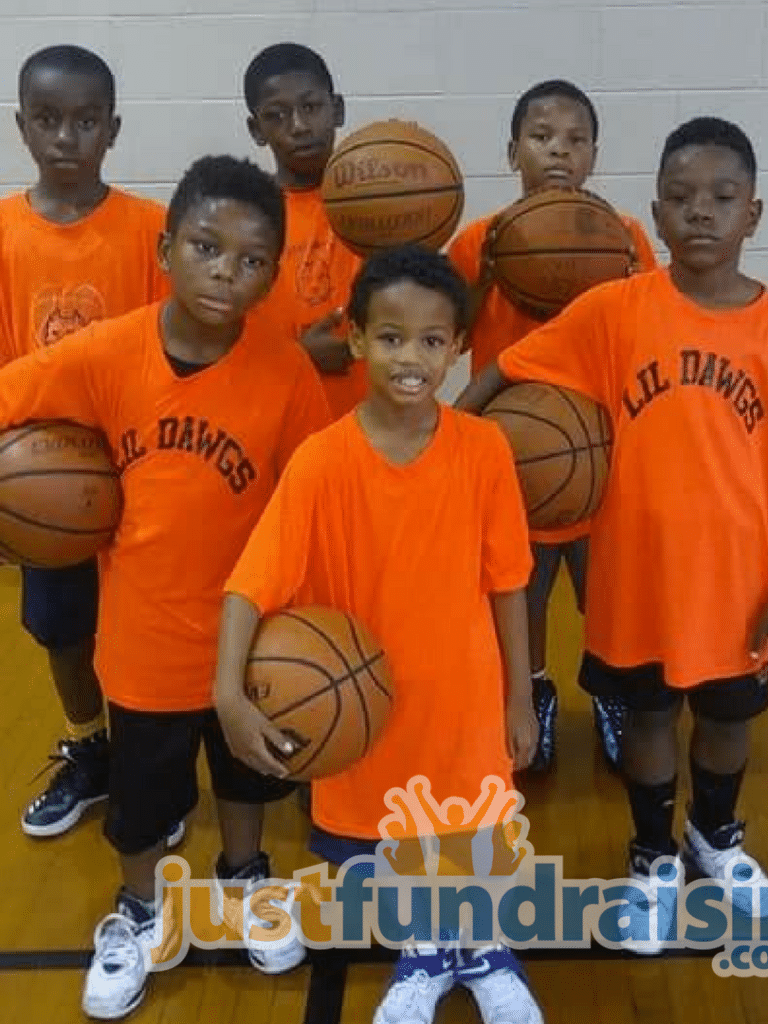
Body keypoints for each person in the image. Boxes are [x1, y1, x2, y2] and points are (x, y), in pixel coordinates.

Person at [458, 117, 768, 952]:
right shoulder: (613, 311)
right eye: (679, 197)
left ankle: (714, 837)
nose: (699, 212)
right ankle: (650, 859)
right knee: (649, 719)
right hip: (637, 577)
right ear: (654, 218)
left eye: (722, 197)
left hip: (738, 583)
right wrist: (444, 440)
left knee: (730, 720)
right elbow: (509, 368)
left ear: (755, 214)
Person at [0, 154, 332, 1018]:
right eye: (207, 246)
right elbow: (10, 398)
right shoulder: (107, 353)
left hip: (253, 630)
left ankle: (244, 883)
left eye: (253, 259)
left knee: (249, 781)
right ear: (165, 247)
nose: (227, 271)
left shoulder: (287, 371)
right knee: (144, 798)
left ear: (271, 274)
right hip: (144, 637)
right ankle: (139, 909)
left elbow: (311, 497)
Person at [216, 245, 544, 1022]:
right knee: (395, 847)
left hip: (465, 701)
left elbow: (509, 583)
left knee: (472, 838)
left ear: (458, 348)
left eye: (432, 340)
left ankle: (486, 950)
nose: (412, 356)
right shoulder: (321, 463)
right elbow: (249, 583)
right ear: (357, 340)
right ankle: (425, 954)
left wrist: (520, 695)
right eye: (391, 336)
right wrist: (227, 692)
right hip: (365, 709)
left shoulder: (484, 449)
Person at [448, 78, 658, 772]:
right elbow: (447, 332)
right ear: (513, 152)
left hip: (602, 454)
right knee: (522, 591)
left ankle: (610, 691)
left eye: (575, 140)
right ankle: (531, 689)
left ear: (595, 154)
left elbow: (651, 337)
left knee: (609, 594)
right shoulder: (482, 239)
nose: (557, 152)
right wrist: (489, 272)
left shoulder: (623, 240)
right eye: (541, 138)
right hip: (516, 455)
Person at [1, 44, 169, 839]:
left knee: (145, 630)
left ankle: (150, 762)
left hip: (142, 469)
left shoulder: (152, 231)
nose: (66, 136)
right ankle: (89, 748)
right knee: (62, 628)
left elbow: (177, 350)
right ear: (22, 127)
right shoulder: (2, 231)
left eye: (85, 120)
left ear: (113, 128)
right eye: (47, 120)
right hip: (44, 481)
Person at [244, 42, 365, 419]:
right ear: (256, 129)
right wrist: (298, 357)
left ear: (338, 109)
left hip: (372, 427)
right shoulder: (246, 215)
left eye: (311, 107)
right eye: (277, 115)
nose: (298, 126)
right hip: (276, 426)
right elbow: (214, 339)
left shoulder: (380, 204)